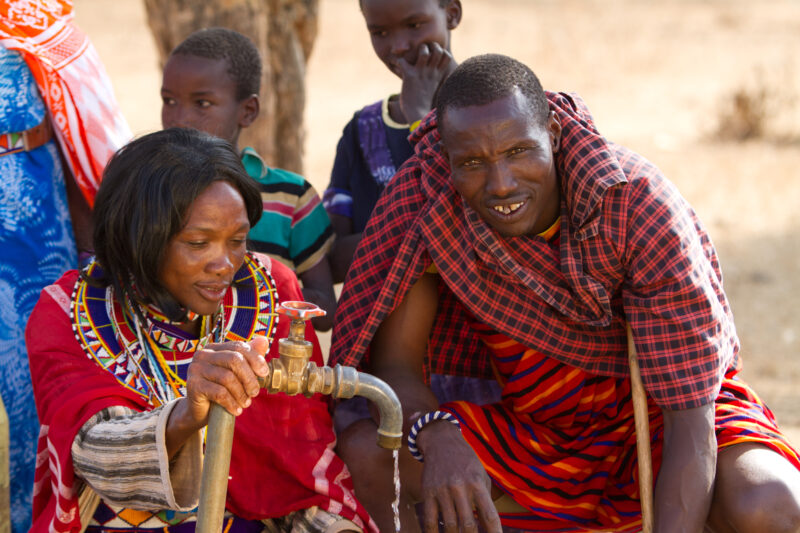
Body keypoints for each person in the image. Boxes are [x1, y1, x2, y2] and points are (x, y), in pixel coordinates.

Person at [329, 54, 800, 532]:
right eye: (472, 162)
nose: (501, 184)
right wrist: (436, 435)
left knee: (769, 506)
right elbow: (395, 368)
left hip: (662, 416)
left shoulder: (634, 205)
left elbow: (690, 422)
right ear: (446, 158)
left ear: (552, 134)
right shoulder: (432, 203)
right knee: (372, 454)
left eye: (518, 152)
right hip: (540, 433)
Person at [25, 128, 375, 533]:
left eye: (237, 239)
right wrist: (186, 416)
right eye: (198, 242)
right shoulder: (69, 311)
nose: (223, 263)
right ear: (140, 238)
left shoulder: (271, 292)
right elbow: (94, 453)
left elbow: (301, 457)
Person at [0, 2, 131, 530]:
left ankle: (34, 519)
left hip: (26, 221)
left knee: (32, 386)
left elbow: (82, 133)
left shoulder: (30, 18)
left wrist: (95, 247)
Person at [160, 27, 337, 331]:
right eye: (169, 100)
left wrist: (248, 294)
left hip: (268, 369)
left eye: (201, 103)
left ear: (248, 111)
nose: (180, 118)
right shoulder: (153, 190)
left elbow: (326, 311)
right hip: (170, 367)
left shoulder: (291, 196)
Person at [322, 0, 462, 283]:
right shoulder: (362, 131)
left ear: (451, 13)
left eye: (414, 25)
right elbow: (333, 261)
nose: (398, 46)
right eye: (380, 32)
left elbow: (476, 233)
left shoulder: (493, 116)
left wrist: (420, 121)